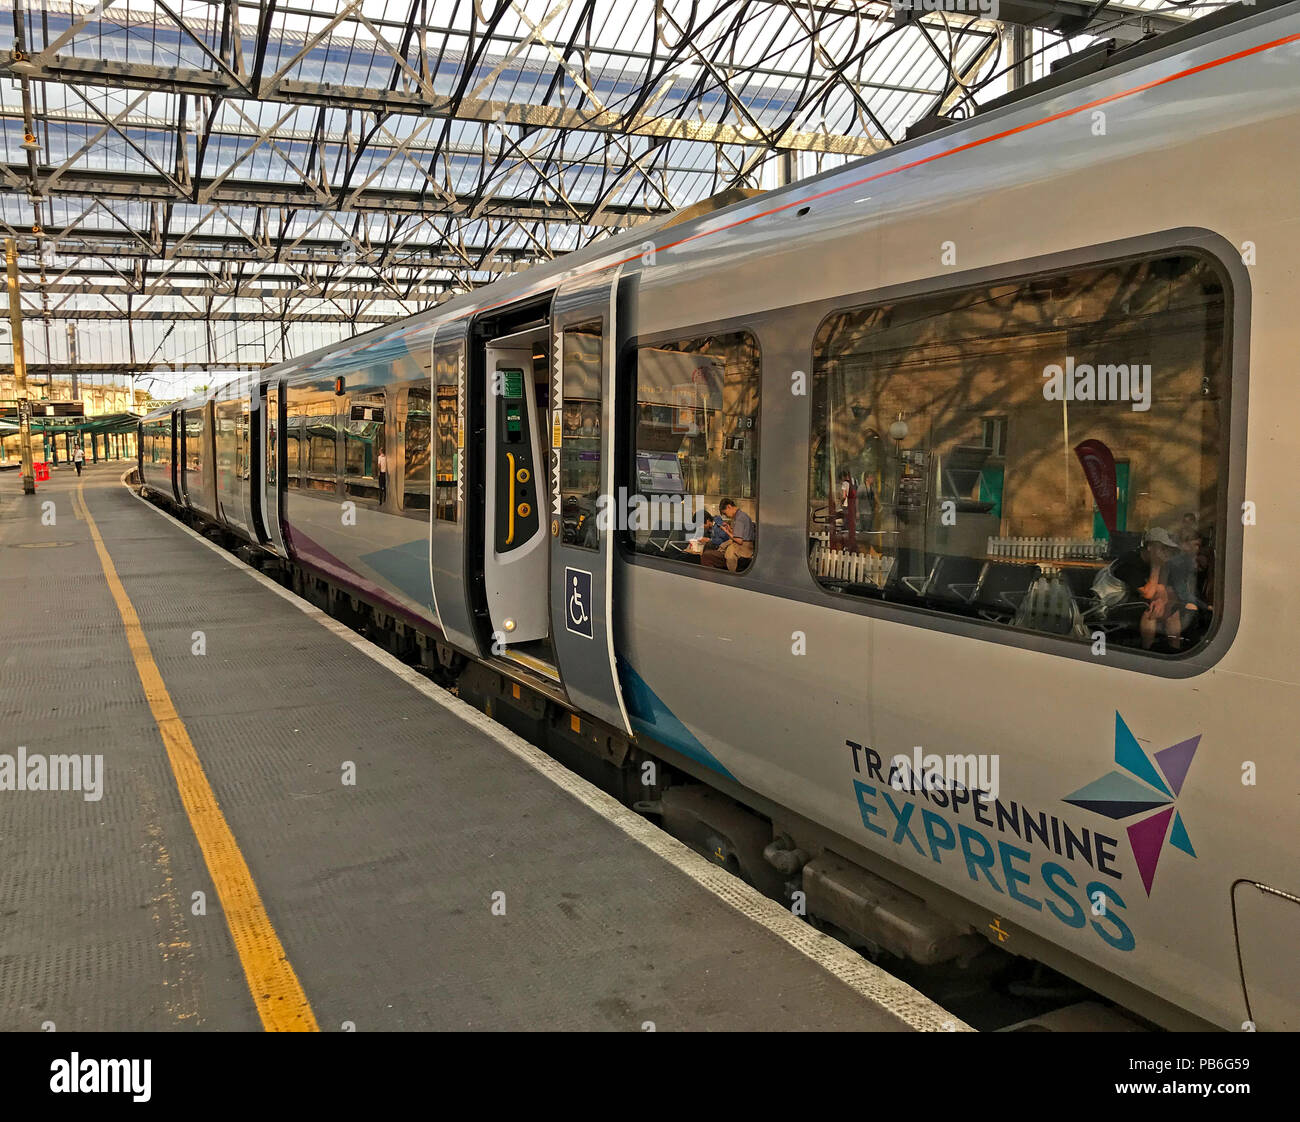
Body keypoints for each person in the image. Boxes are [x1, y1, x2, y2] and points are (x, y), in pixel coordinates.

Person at [1111, 527, 1183, 649]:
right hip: (1114, 603)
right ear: (1150, 547)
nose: (1165, 553)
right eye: (1162, 548)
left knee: (1172, 611)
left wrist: (1161, 602)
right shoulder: (1130, 561)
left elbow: (1161, 589)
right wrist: (1156, 566)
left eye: (1167, 550)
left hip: (1134, 599)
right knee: (1149, 610)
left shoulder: (1158, 562)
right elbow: (1148, 594)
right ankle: (1148, 651)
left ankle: (1175, 650)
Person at [701, 498, 755, 572]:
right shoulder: (741, 516)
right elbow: (740, 534)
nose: (726, 516)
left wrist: (727, 531)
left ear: (729, 507)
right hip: (743, 546)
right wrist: (730, 529)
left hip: (742, 549)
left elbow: (739, 540)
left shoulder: (739, 518)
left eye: (725, 513)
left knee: (706, 556)